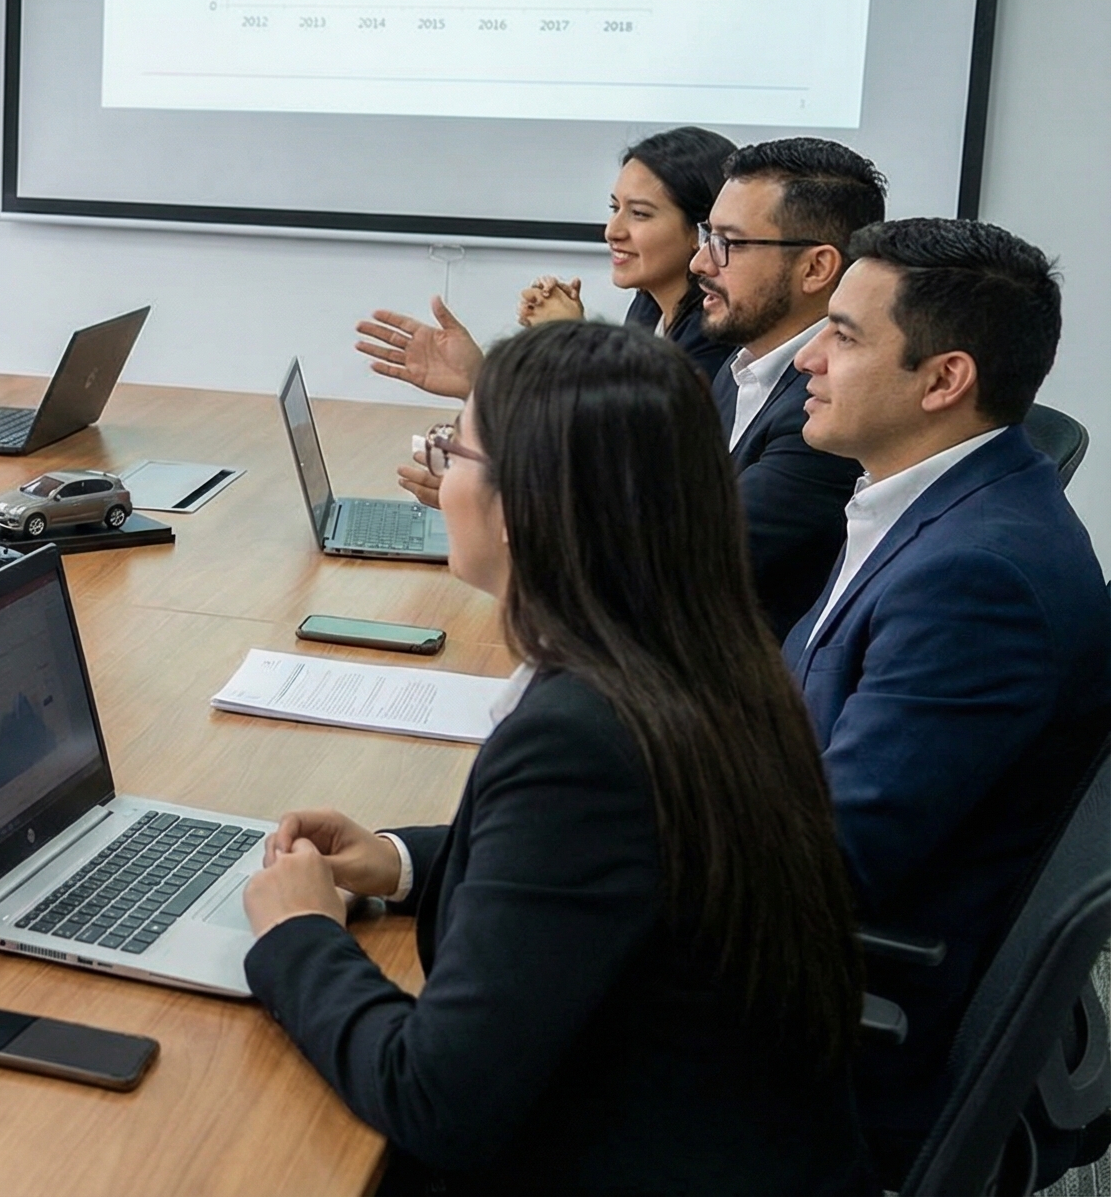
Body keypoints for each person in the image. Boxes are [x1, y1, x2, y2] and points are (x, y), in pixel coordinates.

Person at [242, 322, 873, 1196]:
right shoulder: (699, 655)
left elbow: (437, 1099)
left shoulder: (579, 743)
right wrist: (398, 861)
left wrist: (300, 934)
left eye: (453, 451)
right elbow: (609, 869)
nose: (441, 477)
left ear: (523, 507)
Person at [785, 218, 1111, 1178]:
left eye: (843, 335)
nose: (807, 357)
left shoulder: (976, 578)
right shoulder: (932, 499)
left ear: (943, 381)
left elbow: (829, 861)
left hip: (832, 1026)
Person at [356, 126, 738, 405]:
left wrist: (570, 340)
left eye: (639, 214)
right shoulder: (650, 305)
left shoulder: (715, 334)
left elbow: (620, 443)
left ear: (703, 229)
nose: (612, 231)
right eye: (614, 208)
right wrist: (478, 381)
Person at [688, 137, 881, 637]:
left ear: (815, 268)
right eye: (708, 235)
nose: (701, 263)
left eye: (729, 243)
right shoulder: (743, 366)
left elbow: (685, 558)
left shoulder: (827, 410)